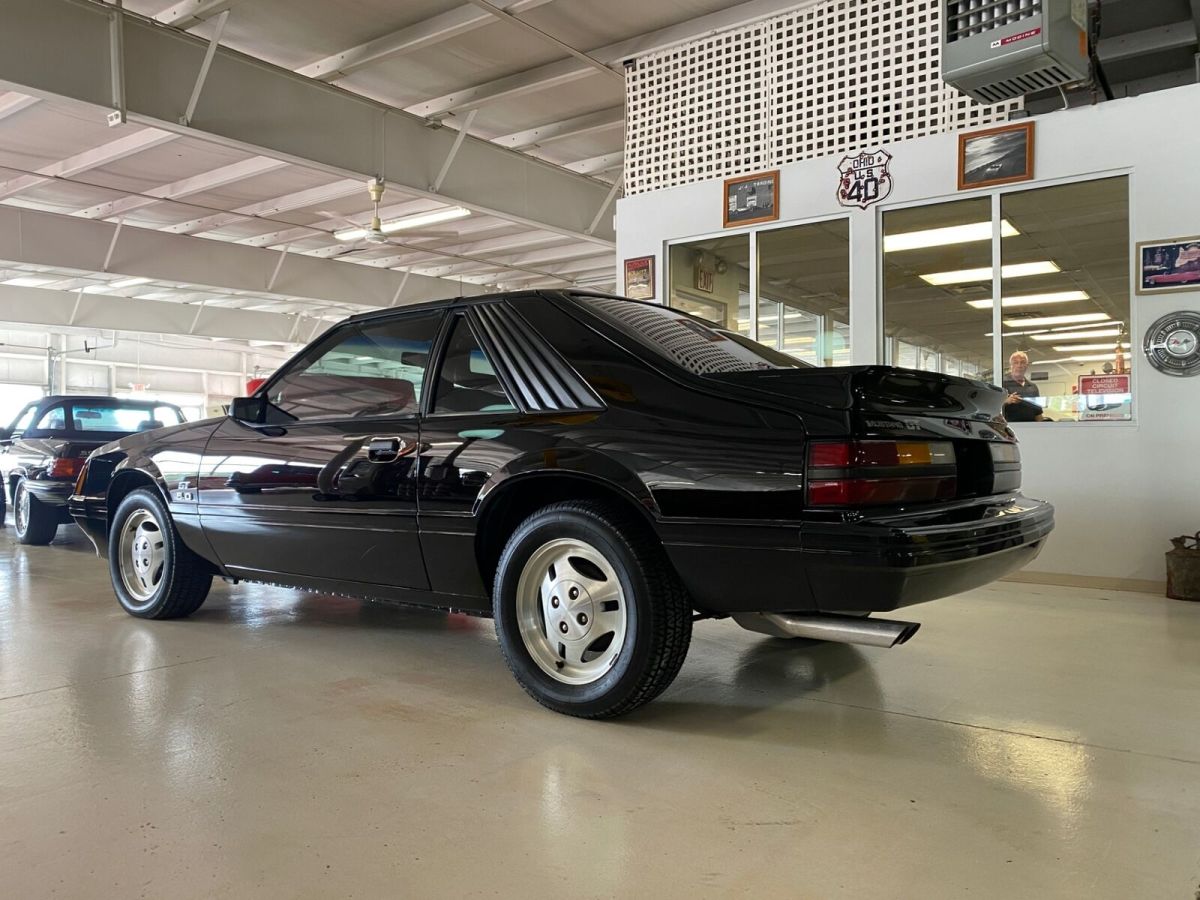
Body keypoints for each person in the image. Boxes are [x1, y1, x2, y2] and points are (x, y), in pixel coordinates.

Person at [1002, 350, 1045, 422]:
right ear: (1011, 366)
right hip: (1010, 428)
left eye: (1022, 362)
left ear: (1027, 365)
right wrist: (1006, 401)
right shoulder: (1002, 384)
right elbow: (991, 408)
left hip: (1030, 427)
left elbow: (1038, 413)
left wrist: (1043, 428)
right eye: (1016, 362)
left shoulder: (1032, 387)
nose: (1019, 365)